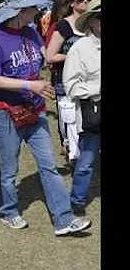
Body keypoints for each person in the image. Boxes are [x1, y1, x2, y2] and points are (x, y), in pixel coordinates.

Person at [0, 0, 91, 236]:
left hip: (35, 110)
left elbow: (45, 57)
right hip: (6, 113)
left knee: (48, 165)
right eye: (33, 10)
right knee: (10, 169)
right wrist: (31, 84)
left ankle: (63, 219)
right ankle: (9, 211)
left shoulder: (31, 33)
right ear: (20, 12)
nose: (37, 13)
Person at [62, 0, 100, 216]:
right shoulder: (79, 49)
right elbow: (72, 86)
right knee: (86, 161)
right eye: (100, 17)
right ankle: (77, 201)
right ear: (91, 22)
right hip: (93, 112)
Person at [46, 0, 88, 163]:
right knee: (70, 122)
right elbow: (50, 56)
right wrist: (75, 56)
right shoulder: (64, 26)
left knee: (88, 120)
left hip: (88, 81)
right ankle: (73, 155)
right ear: (72, 3)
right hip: (66, 81)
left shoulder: (91, 23)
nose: (86, 1)